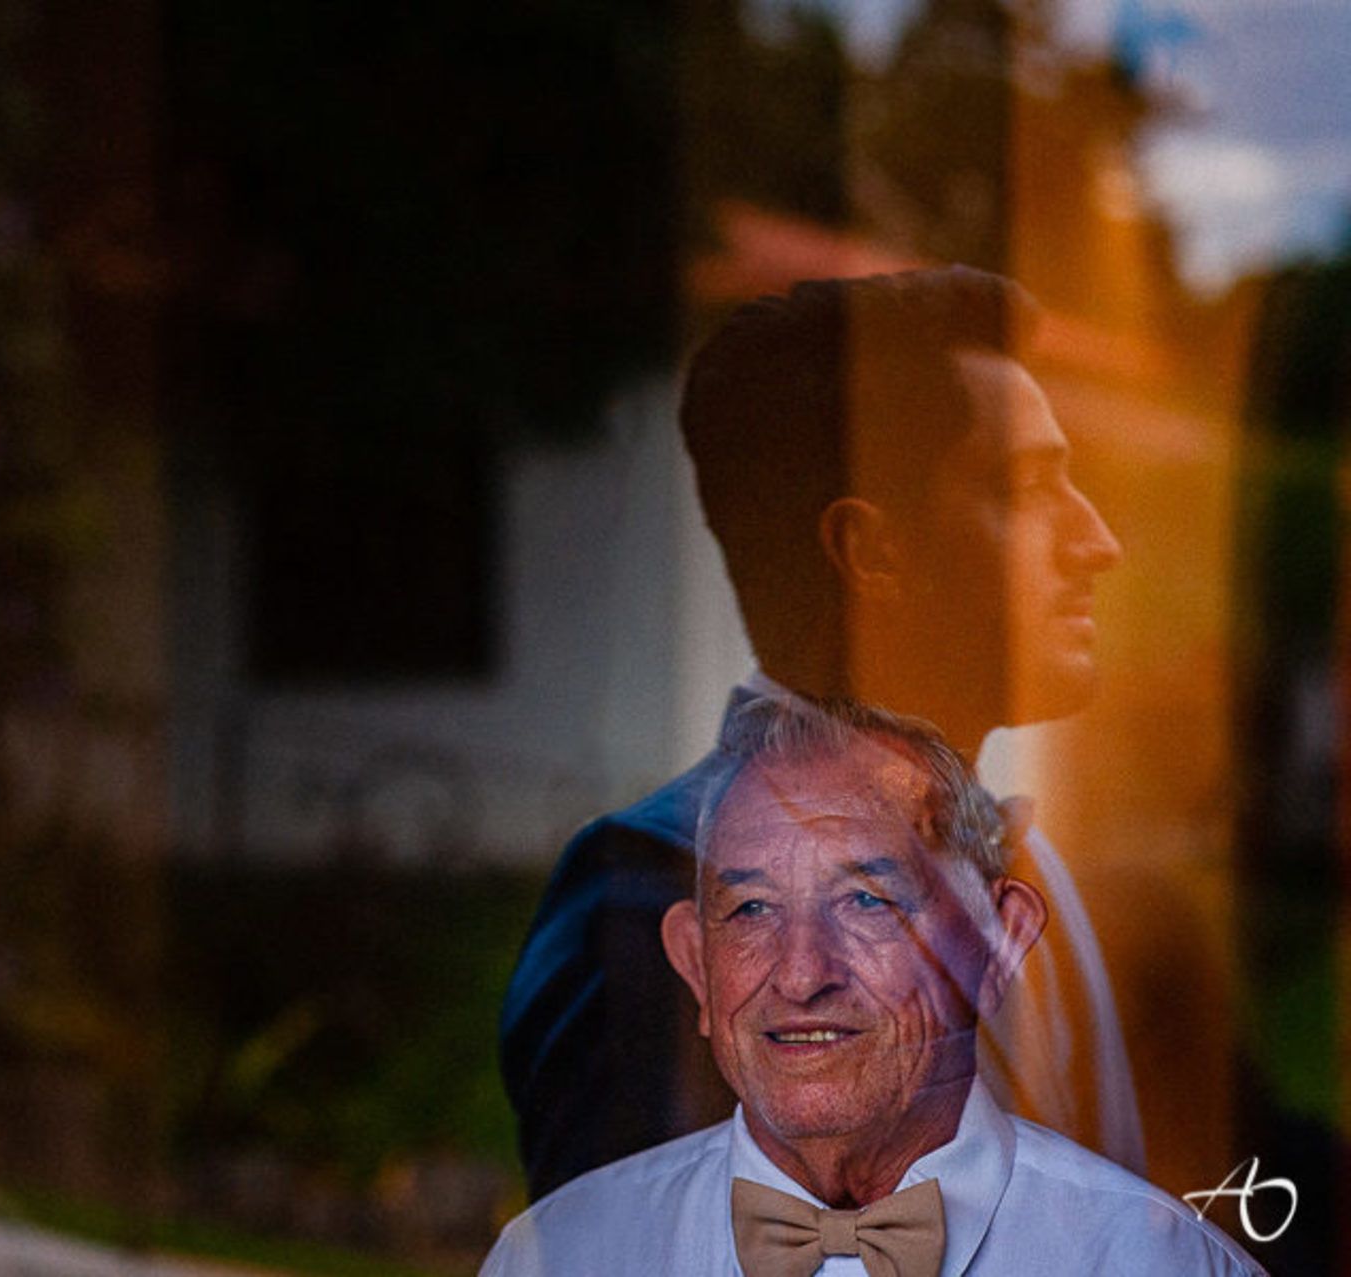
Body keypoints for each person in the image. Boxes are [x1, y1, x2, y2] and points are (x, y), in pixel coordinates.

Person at [500, 268, 1140, 1201]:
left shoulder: (1031, 874)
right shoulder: (649, 894)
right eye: (1029, 487)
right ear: (870, 552)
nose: (1097, 542)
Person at [481, 699, 1262, 1276]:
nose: (801, 974)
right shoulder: (559, 1259)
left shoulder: (1161, 1265)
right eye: (751, 908)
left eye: (867, 900)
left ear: (998, 944)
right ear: (695, 964)